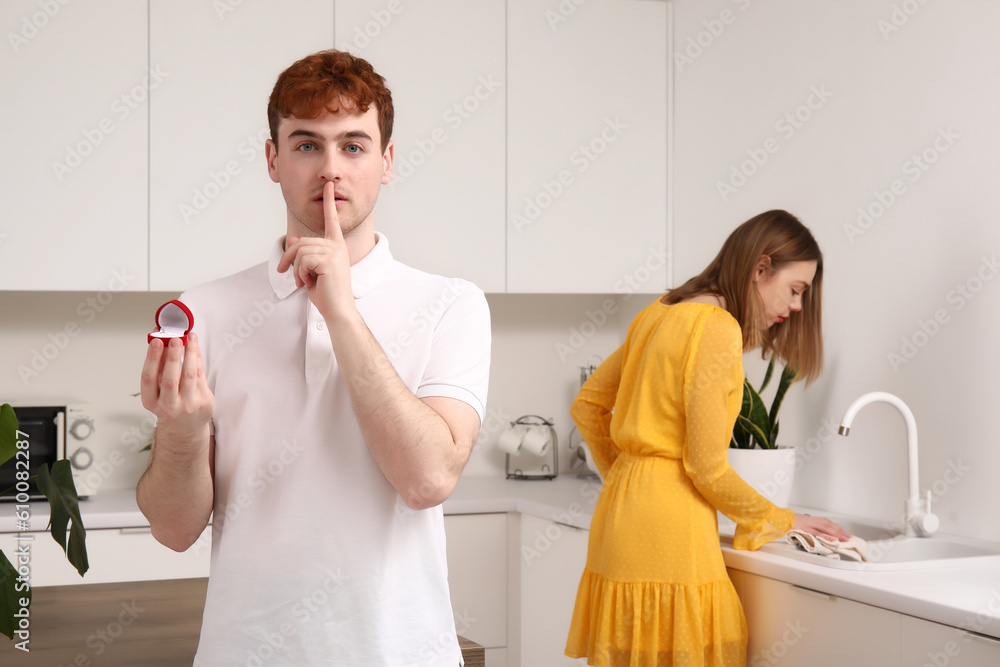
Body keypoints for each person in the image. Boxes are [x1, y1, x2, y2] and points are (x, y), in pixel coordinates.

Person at [136, 49, 491, 666]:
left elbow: (428, 478)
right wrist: (183, 431)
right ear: (273, 161)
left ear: (387, 162)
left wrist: (343, 313)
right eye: (306, 146)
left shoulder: (451, 304)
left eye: (354, 146)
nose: (331, 170)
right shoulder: (204, 312)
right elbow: (173, 530)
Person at [564, 210, 849, 667]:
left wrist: (625, 472)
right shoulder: (716, 328)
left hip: (619, 517)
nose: (796, 307)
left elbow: (587, 404)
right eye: (795, 290)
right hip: (668, 528)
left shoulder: (659, 311)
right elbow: (706, 466)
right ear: (760, 268)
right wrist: (783, 518)